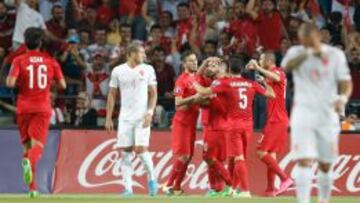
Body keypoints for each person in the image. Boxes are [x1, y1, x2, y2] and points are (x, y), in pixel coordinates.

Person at [281, 22, 353, 203]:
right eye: (302, 41)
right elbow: (286, 67)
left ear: (318, 37)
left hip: (327, 115)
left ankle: (323, 199)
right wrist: (308, 53)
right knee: (304, 161)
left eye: (309, 41)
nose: (305, 43)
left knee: (325, 164)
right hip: (303, 114)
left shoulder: (335, 55)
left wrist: (343, 99)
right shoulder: (296, 52)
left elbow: (346, 82)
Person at [193, 57, 275, 198]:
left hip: (233, 125)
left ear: (229, 69)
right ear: (242, 69)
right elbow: (271, 94)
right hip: (248, 125)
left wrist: (192, 82)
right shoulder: (251, 83)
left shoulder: (226, 83)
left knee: (238, 158)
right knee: (239, 157)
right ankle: (234, 189)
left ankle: (244, 190)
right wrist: (264, 82)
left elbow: (204, 91)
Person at [5, 27, 66, 198]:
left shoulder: (19, 60)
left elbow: (10, 83)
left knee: (27, 147)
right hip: (42, 108)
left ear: (26, 42)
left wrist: (23, 83)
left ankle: (32, 189)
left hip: (23, 107)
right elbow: (63, 85)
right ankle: (29, 163)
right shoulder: (50, 61)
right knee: (37, 148)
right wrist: (48, 82)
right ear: (40, 43)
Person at [105, 42, 158, 196]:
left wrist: (150, 112)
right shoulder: (118, 71)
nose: (145, 56)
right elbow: (112, 94)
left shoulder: (148, 69)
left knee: (141, 150)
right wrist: (109, 117)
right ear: (131, 54)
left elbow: (153, 93)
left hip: (142, 117)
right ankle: (128, 188)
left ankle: (152, 179)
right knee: (126, 153)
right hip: (125, 118)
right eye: (142, 53)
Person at [247, 52, 293, 197]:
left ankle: (285, 179)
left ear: (268, 60)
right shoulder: (270, 76)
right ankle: (270, 189)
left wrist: (258, 69)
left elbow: (277, 78)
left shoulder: (278, 71)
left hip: (277, 120)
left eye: (261, 60)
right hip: (276, 119)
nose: (259, 62)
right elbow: (274, 90)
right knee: (270, 154)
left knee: (261, 151)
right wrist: (263, 81)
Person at [162, 50, 203, 195]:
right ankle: (168, 184)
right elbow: (178, 104)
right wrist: (195, 98)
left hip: (192, 123)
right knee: (184, 156)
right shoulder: (181, 80)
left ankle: (177, 188)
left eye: (196, 60)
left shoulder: (197, 78)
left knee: (189, 157)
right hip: (182, 122)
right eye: (191, 61)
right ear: (184, 64)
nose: (195, 63)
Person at [197, 58, 232, 196]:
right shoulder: (211, 81)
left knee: (211, 157)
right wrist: (205, 62)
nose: (209, 68)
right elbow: (198, 76)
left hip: (218, 125)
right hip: (211, 123)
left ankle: (227, 184)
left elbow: (202, 91)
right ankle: (216, 188)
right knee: (213, 159)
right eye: (208, 66)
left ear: (221, 68)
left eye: (213, 65)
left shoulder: (220, 82)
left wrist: (193, 87)